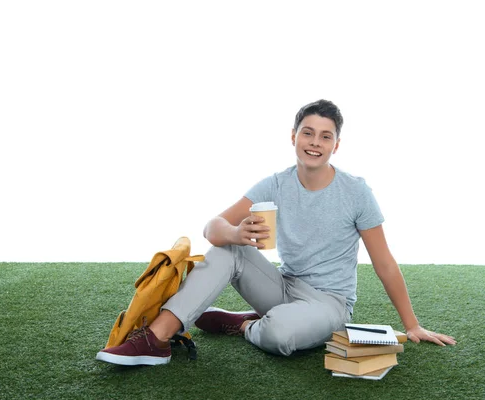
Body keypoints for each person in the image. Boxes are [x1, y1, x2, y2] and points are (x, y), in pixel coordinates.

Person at [96, 99, 456, 366]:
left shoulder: (356, 192)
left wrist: (412, 325)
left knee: (282, 333)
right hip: (283, 286)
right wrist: (236, 233)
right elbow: (212, 227)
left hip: (329, 303)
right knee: (224, 250)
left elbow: (385, 264)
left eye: (325, 136)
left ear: (336, 145)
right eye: (308, 133)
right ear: (294, 136)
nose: (315, 142)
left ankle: (245, 327)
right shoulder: (276, 183)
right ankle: (156, 339)